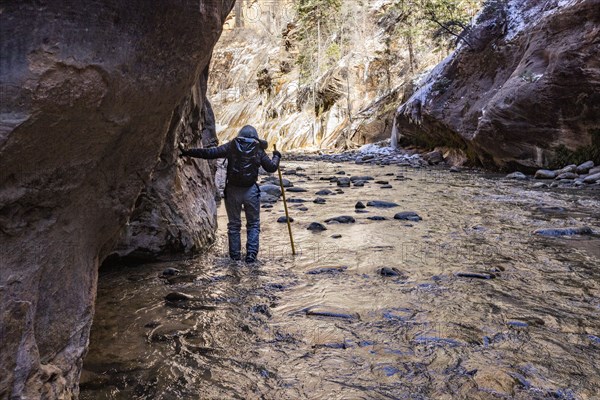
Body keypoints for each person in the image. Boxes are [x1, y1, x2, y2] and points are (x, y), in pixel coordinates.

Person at [180, 125, 281, 263]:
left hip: (232, 190)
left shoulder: (232, 145)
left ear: (240, 135)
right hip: (250, 190)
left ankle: (235, 257)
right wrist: (276, 156)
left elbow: (210, 153)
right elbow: (271, 167)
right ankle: (251, 256)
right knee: (253, 224)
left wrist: (187, 152)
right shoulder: (258, 149)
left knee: (234, 225)